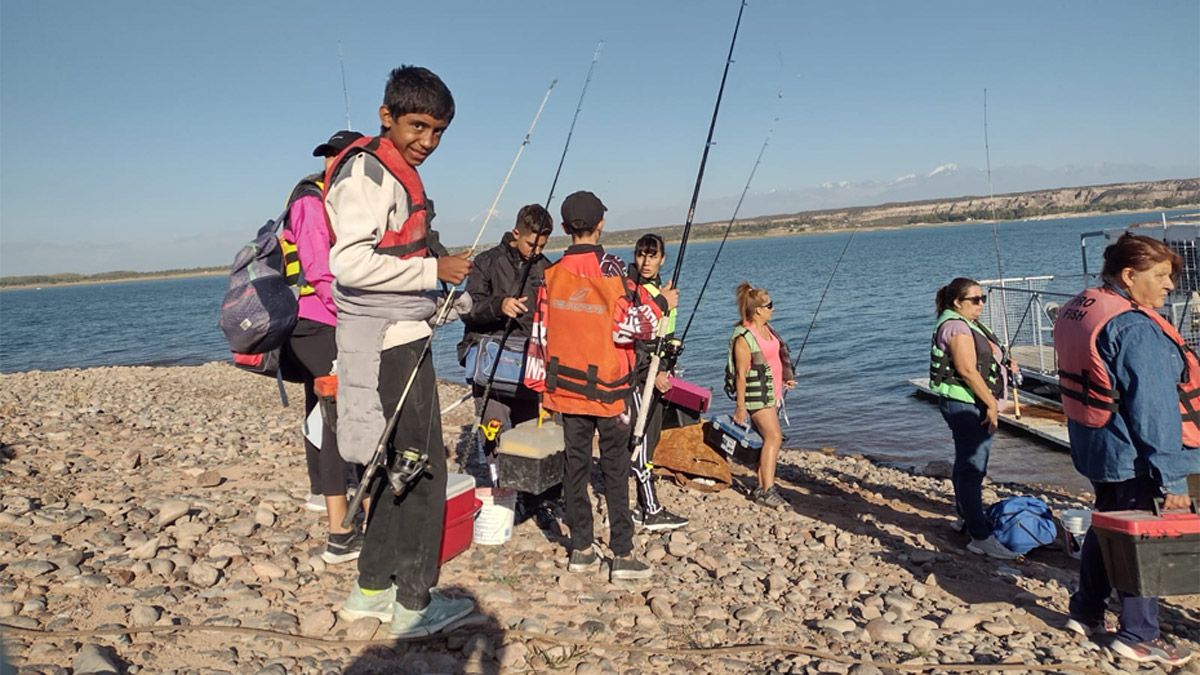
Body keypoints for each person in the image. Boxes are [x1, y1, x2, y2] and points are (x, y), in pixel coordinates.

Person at [325, 65, 475, 638]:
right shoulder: (368, 174)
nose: (427, 141)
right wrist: (433, 270)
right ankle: (413, 603)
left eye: (438, 132)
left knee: (394, 467)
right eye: (417, 126)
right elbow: (349, 263)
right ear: (386, 117)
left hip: (393, 340)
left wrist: (436, 275)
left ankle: (370, 590)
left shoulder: (389, 172)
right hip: (390, 345)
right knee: (423, 470)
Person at [1055, 233, 1198, 666]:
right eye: (1161, 276)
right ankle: (1138, 634)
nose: (1170, 285)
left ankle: (1086, 611)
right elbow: (1154, 410)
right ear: (1130, 275)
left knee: (1107, 524)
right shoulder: (1134, 328)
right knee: (1141, 538)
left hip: (1095, 443)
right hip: (1131, 452)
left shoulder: (1082, 305)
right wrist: (1172, 478)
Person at [525, 191, 677, 581]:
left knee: (575, 468)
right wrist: (662, 304)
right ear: (601, 225)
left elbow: (539, 334)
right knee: (614, 470)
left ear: (564, 228)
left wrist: (539, 386)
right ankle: (622, 553)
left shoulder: (551, 275)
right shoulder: (612, 271)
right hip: (610, 391)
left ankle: (582, 549)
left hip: (565, 389)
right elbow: (632, 327)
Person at [279, 129, 364, 564]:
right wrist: (350, 312)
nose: (334, 163)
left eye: (340, 156)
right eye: (332, 157)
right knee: (336, 415)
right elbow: (318, 269)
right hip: (316, 322)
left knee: (319, 404)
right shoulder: (311, 201)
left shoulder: (330, 199)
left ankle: (320, 491)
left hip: (314, 321)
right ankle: (341, 533)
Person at [458, 204, 556, 522]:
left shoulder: (546, 269)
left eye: (542, 246)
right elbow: (468, 309)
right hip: (491, 365)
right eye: (531, 244)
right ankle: (502, 493)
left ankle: (535, 498)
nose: (536, 251)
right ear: (516, 233)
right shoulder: (486, 262)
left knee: (531, 433)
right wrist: (500, 305)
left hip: (530, 365)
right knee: (494, 432)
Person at [929, 277, 1020, 560]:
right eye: (975, 300)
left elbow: (982, 358)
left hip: (965, 403)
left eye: (983, 298)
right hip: (966, 405)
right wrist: (991, 404)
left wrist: (1005, 363)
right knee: (972, 468)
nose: (981, 304)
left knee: (965, 463)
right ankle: (980, 537)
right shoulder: (956, 327)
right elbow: (967, 370)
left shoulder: (966, 322)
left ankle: (964, 517)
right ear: (958, 302)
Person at [626, 234, 688, 530]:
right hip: (641, 377)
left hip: (659, 372)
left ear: (662, 259)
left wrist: (669, 362)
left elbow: (665, 333)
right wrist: (650, 372)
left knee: (653, 439)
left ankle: (643, 504)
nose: (646, 262)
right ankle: (650, 508)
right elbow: (632, 341)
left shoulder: (663, 290)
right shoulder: (631, 290)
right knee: (641, 439)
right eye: (641, 255)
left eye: (652, 256)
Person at [727, 283, 795, 508]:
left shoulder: (767, 329)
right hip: (756, 397)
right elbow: (740, 375)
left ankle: (761, 486)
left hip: (771, 393)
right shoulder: (744, 338)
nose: (773, 309)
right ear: (758, 310)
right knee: (774, 438)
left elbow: (774, 358)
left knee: (767, 439)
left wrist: (785, 378)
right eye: (770, 305)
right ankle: (768, 490)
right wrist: (740, 407)